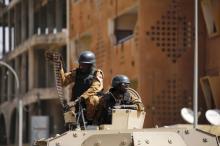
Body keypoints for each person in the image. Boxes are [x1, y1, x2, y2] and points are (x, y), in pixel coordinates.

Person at [60, 50, 104, 125]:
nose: (82, 66)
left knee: (94, 99)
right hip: (76, 103)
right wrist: (59, 66)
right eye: (81, 64)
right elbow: (63, 82)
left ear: (91, 65)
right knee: (68, 111)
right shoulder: (76, 73)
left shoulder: (97, 74)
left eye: (85, 65)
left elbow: (94, 88)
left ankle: (91, 121)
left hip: (90, 104)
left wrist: (79, 100)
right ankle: (72, 127)